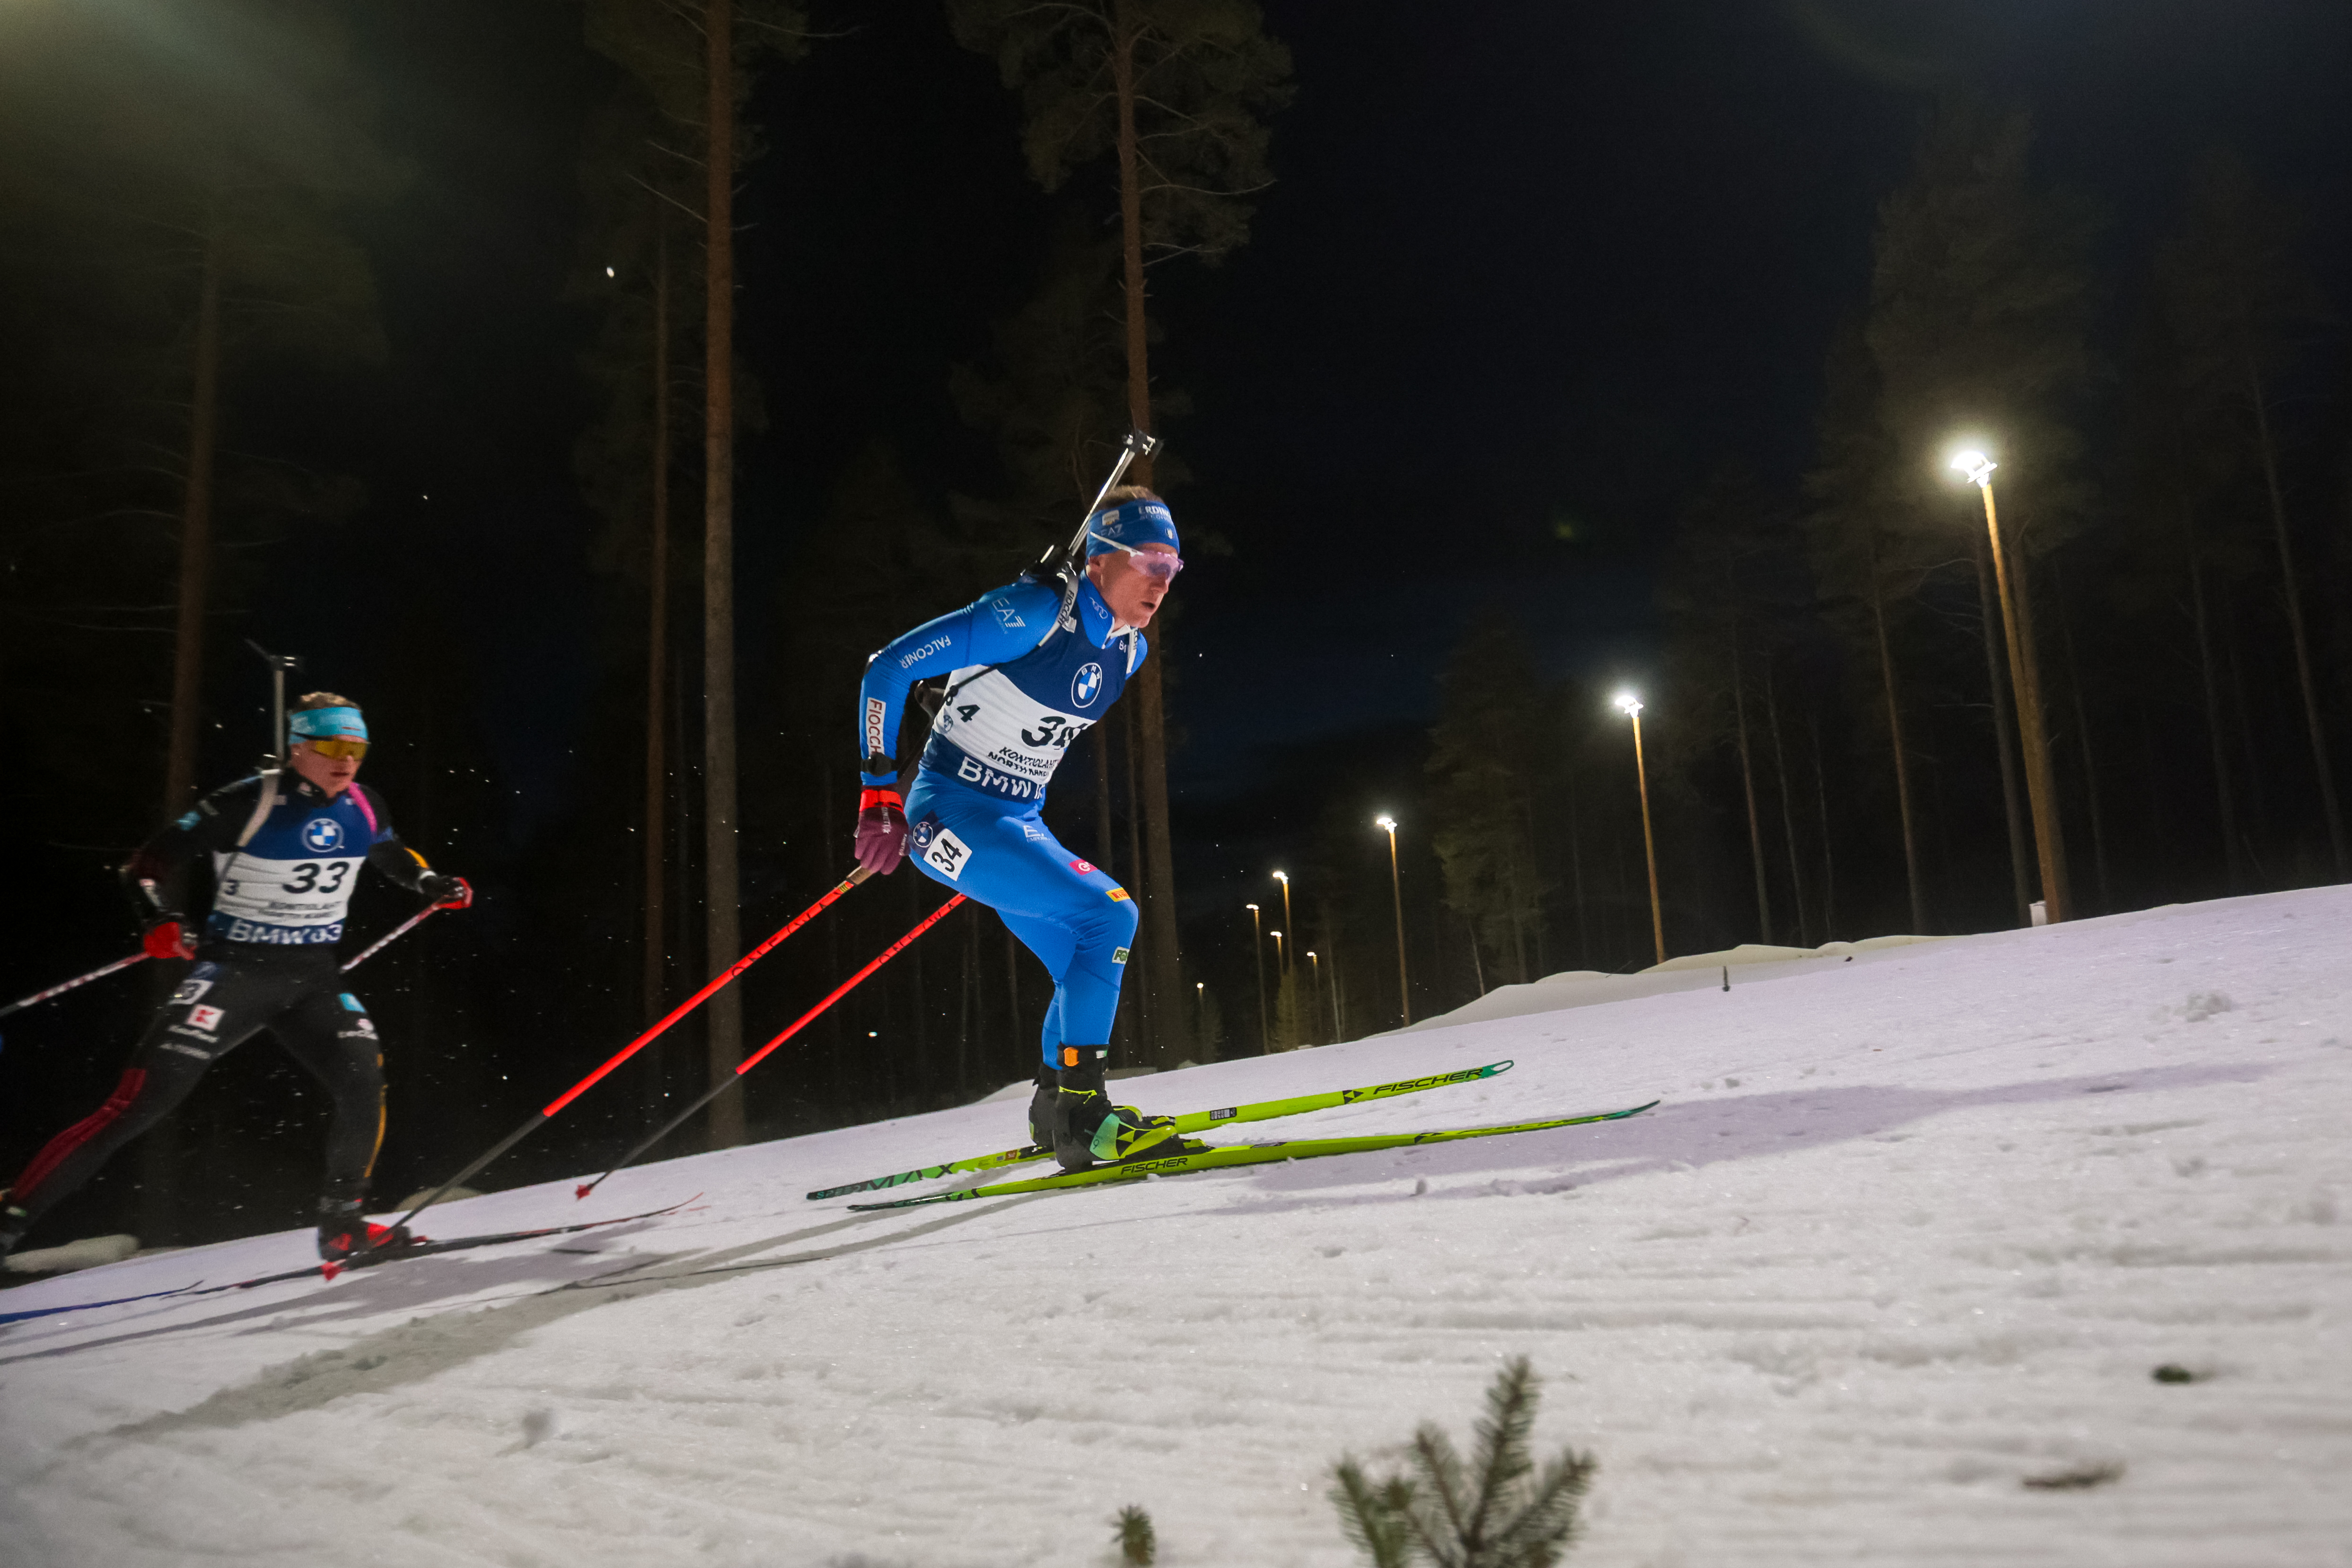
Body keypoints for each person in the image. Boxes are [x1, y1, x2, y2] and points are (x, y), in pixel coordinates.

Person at [0, 693, 471, 1265]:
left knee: (363, 1081)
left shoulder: (366, 805)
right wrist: (160, 919)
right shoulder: (250, 801)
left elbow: (392, 854)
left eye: (357, 747)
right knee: (139, 1105)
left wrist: (430, 883)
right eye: (331, 746)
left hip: (313, 977)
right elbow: (147, 864)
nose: (346, 759)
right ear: (298, 747)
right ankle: (11, 1219)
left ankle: (341, 1225)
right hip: (236, 971)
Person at [851, 487, 1186, 1171]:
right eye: (1148, 559)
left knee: (1082, 955)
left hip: (1015, 821)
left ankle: (1053, 1104)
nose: (1160, 579)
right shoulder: (1034, 614)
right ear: (1100, 558)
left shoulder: (1130, 651)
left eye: (1173, 566)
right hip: (947, 813)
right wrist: (878, 792)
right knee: (1109, 916)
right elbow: (888, 666)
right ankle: (1086, 1116)